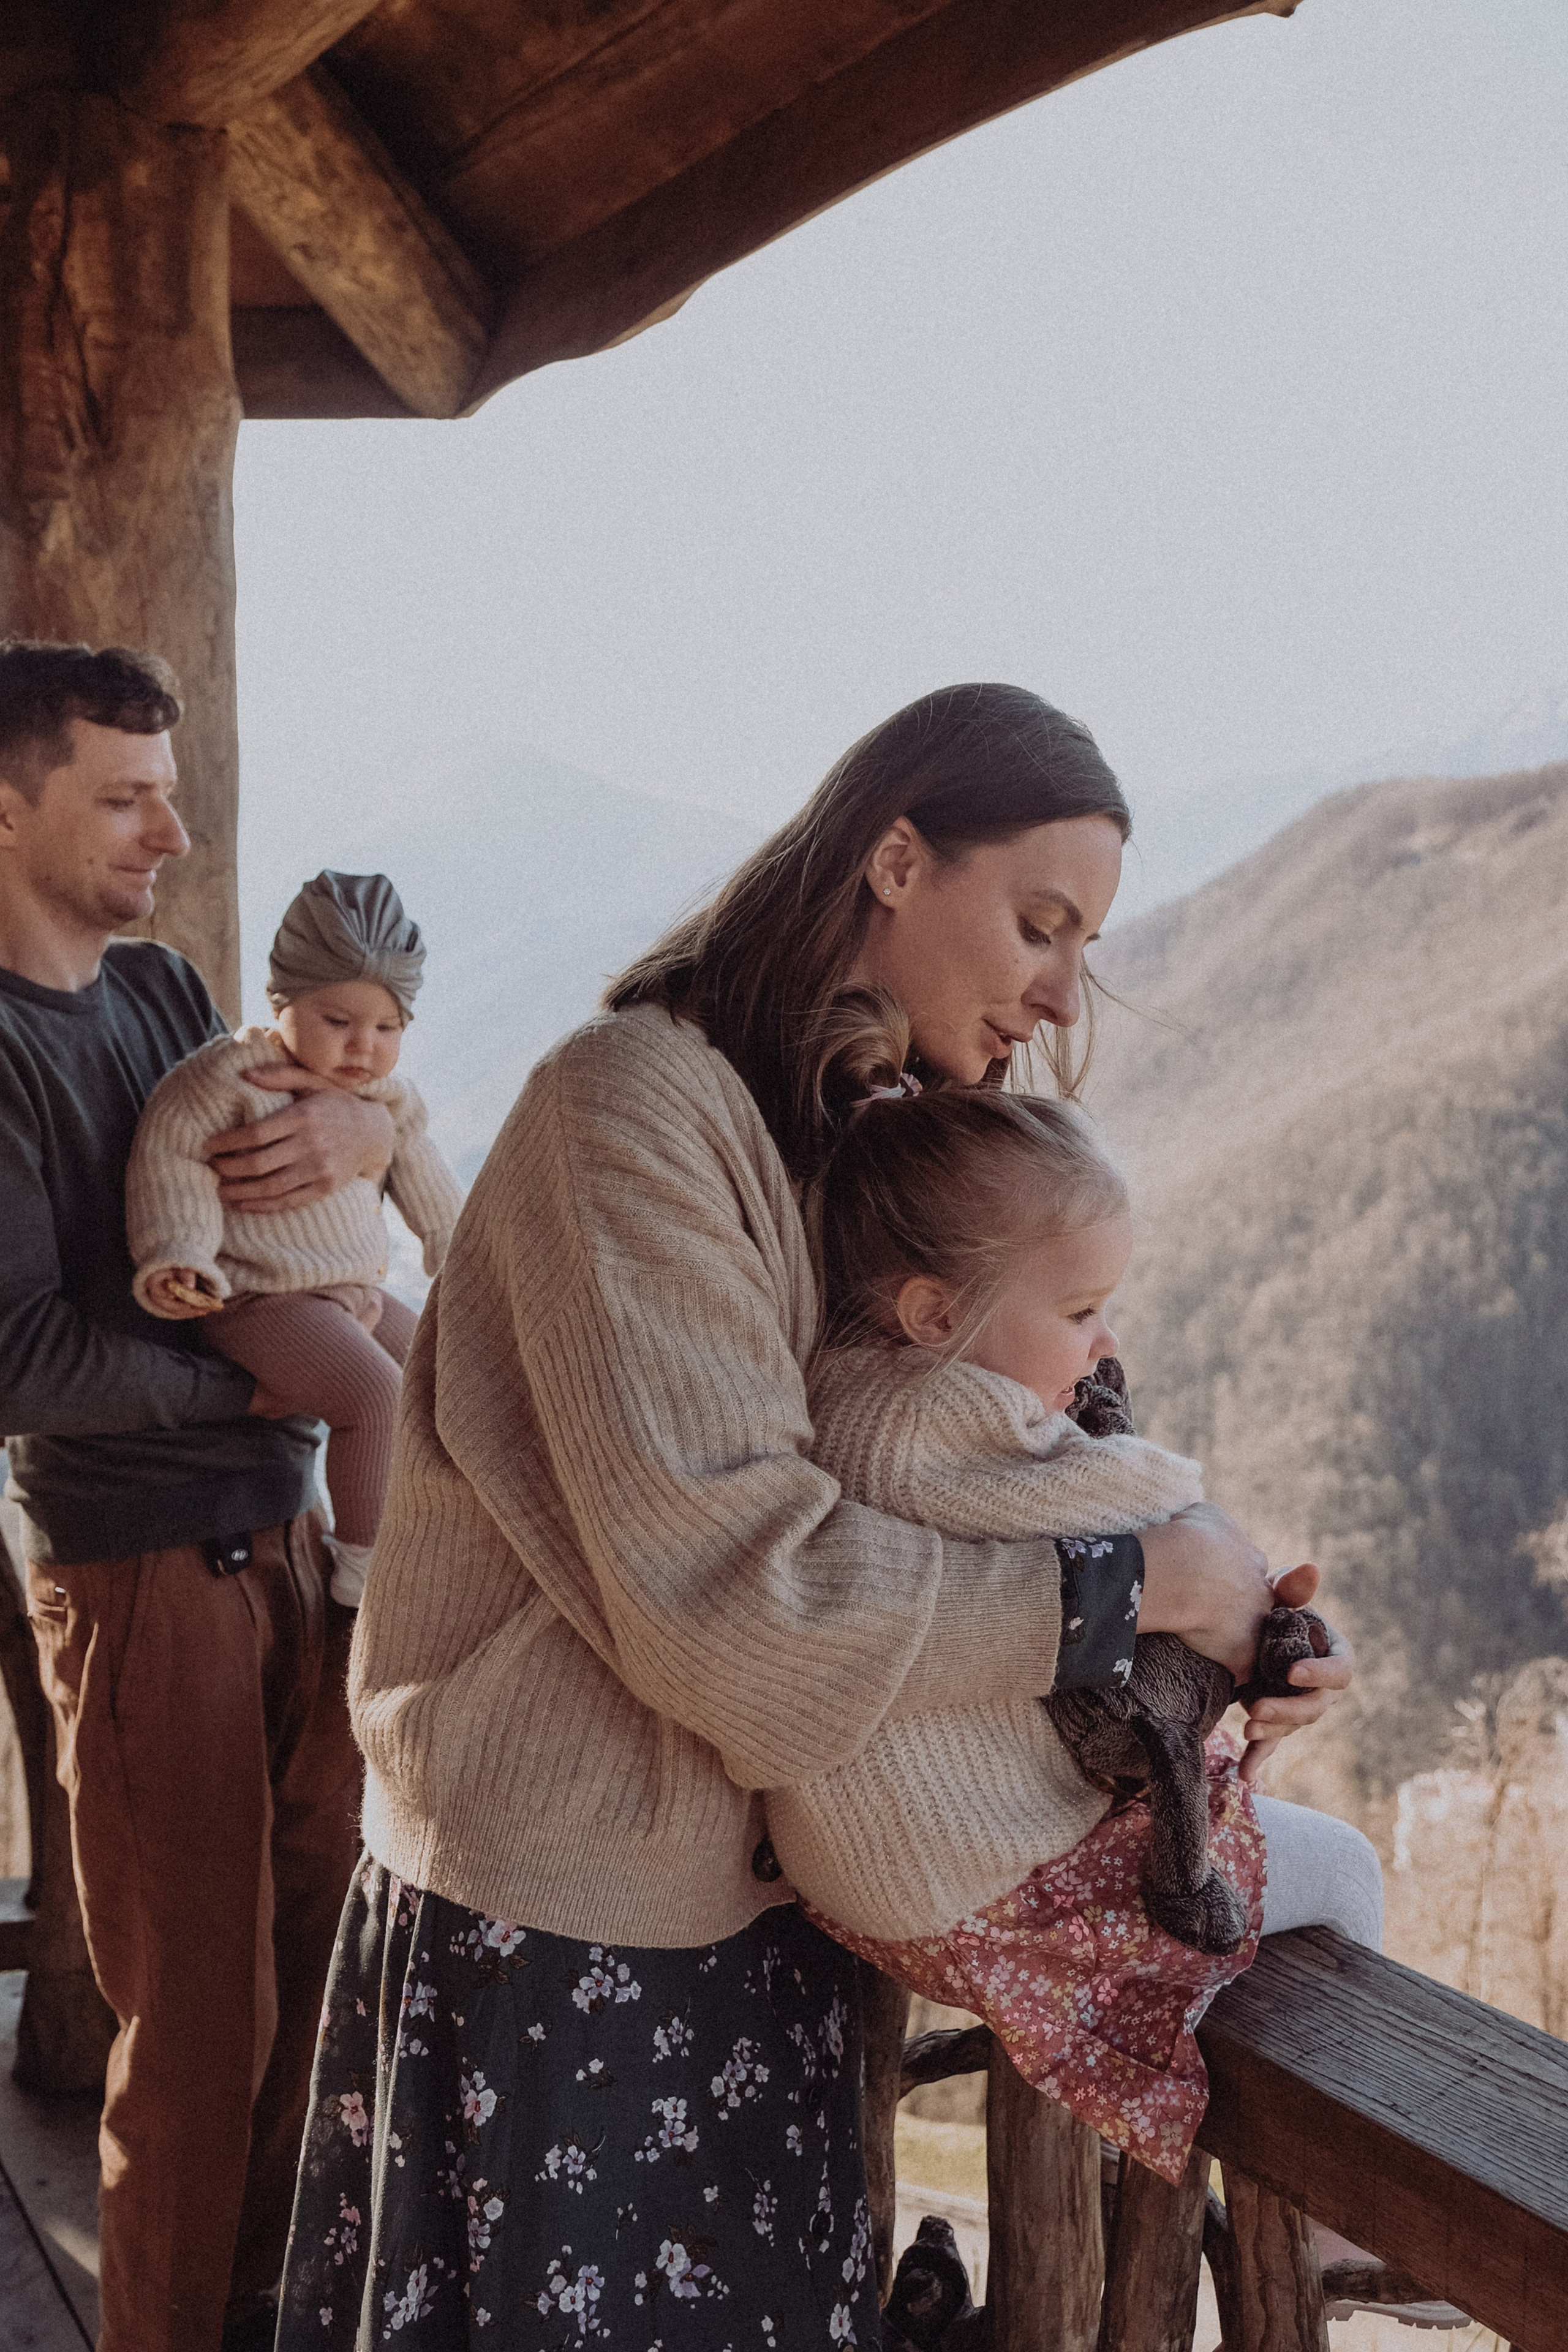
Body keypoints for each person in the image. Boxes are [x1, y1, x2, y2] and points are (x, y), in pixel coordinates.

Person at [279, 683, 1353, 2349]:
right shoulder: (631, 1114)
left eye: (1083, 943)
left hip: (748, 1923)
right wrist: (1127, 1589)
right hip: (570, 1939)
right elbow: (739, 1606)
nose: (1063, 991)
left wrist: (1217, 1641)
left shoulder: (855, 1133)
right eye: (1040, 924)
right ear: (896, 858)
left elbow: (958, 1463)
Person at [762, 1039, 1381, 2187]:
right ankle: (1346, 2228)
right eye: (1083, 1309)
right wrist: (1225, 1564)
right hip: (971, 1880)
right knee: (1342, 1872)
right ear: (934, 1313)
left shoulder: (847, 1385)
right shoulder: (938, 1425)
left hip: (883, 1871)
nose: (1106, 1345)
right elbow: (1158, 1511)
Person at [0, 640, 396, 2352]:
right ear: (6, 806)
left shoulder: (162, 990)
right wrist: (255, 1383)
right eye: (124, 798)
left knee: (321, 1986)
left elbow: (288, 1127)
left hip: (304, 1539)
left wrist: (365, 1145)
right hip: (145, 1573)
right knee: (198, 2039)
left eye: (168, 793)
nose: (171, 830)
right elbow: (17, 1356)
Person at [126, 870, 462, 1605]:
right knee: (375, 1398)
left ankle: (438, 1534)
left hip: (352, 1292)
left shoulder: (385, 1099)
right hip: (262, 1299)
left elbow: (429, 1184)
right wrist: (179, 1252)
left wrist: (458, 1254)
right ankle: (366, 1570)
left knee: (443, 1370)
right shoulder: (228, 1081)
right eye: (337, 1021)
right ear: (284, 1001)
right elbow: (171, 1159)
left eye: (387, 1029)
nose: (362, 1047)